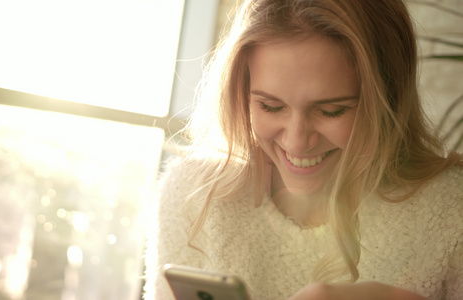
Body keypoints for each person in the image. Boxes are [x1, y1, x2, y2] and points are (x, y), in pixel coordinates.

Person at [143, 0, 463, 299]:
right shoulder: (194, 194)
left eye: (331, 111)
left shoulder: (450, 214)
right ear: (241, 91)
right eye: (270, 106)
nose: (296, 142)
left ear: (388, 98)